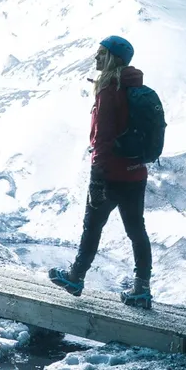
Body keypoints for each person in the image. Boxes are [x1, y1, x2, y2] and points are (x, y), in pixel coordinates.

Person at [48, 35, 152, 309]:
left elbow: (103, 138)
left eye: (101, 53)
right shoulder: (135, 88)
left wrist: (97, 178)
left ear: (112, 58)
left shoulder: (110, 90)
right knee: (136, 230)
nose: (96, 58)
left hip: (111, 174)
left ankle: (75, 277)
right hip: (136, 173)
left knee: (92, 227)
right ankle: (142, 289)